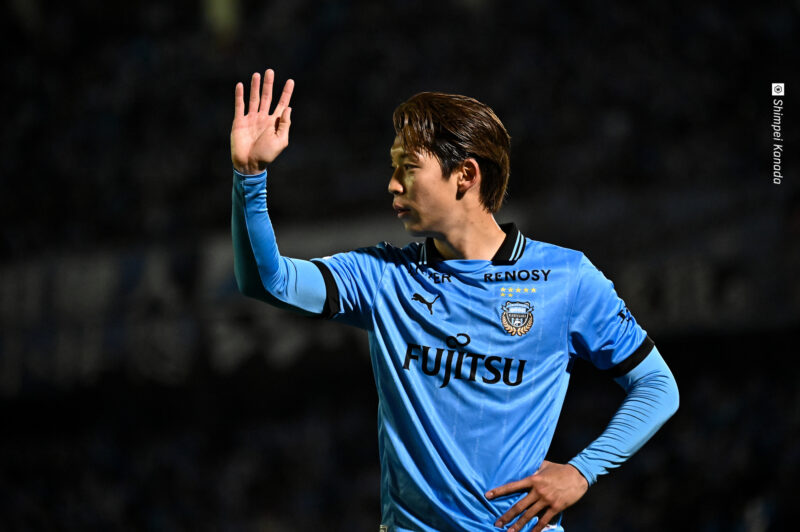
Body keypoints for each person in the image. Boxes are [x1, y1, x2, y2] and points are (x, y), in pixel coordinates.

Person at [230, 69, 679, 532]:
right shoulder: (383, 276)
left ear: (465, 175)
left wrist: (582, 471)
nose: (392, 184)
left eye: (408, 167)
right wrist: (250, 175)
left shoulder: (566, 278)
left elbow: (657, 385)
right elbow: (269, 281)